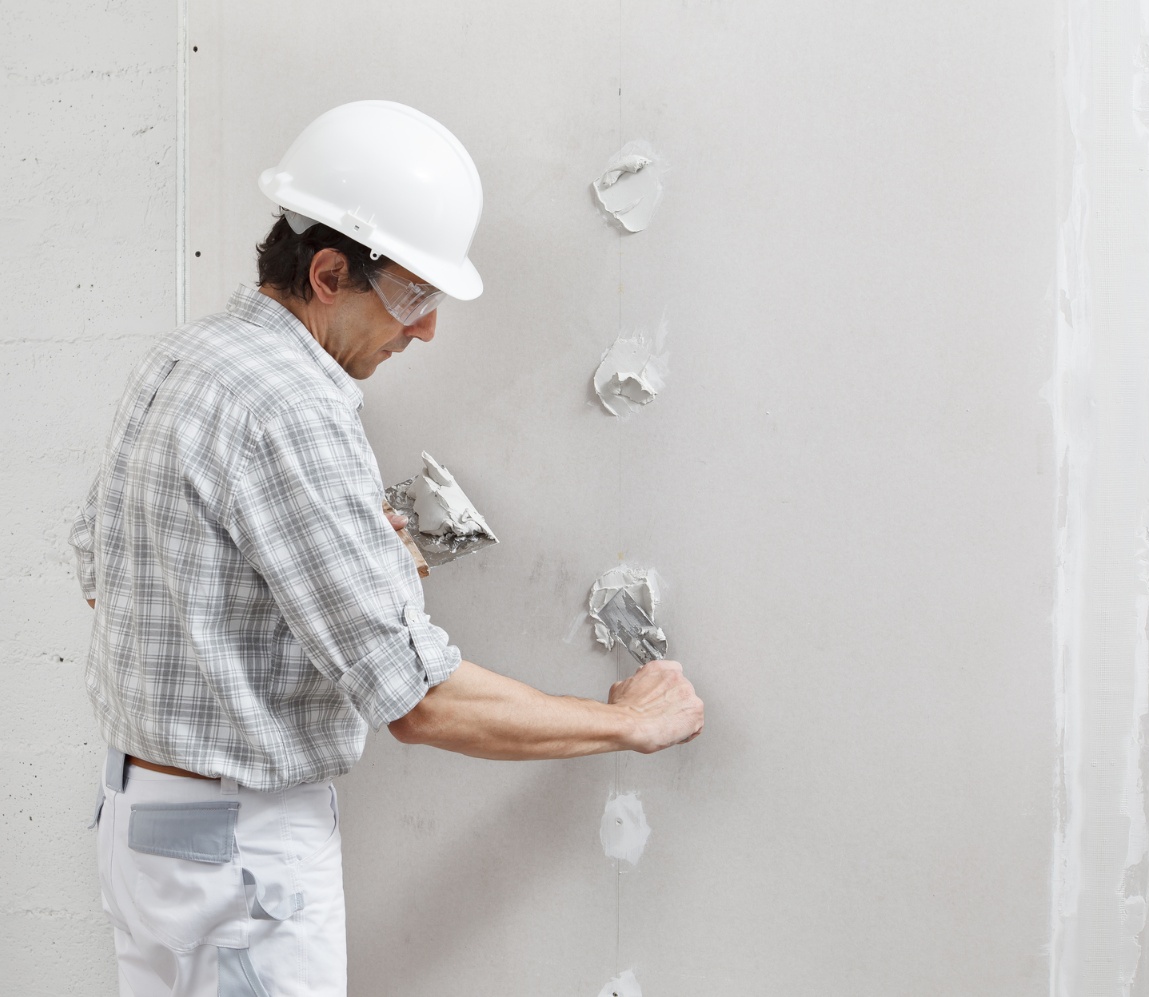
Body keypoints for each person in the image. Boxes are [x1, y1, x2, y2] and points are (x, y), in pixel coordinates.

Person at [68, 100, 704, 997]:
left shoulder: (182, 361)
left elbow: (114, 580)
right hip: (241, 854)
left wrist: (300, 589)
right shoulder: (297, 405)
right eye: (411, 295)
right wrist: (628, 722)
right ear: (329, 271)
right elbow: (420, 702)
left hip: (146, 830)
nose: (426, 328)